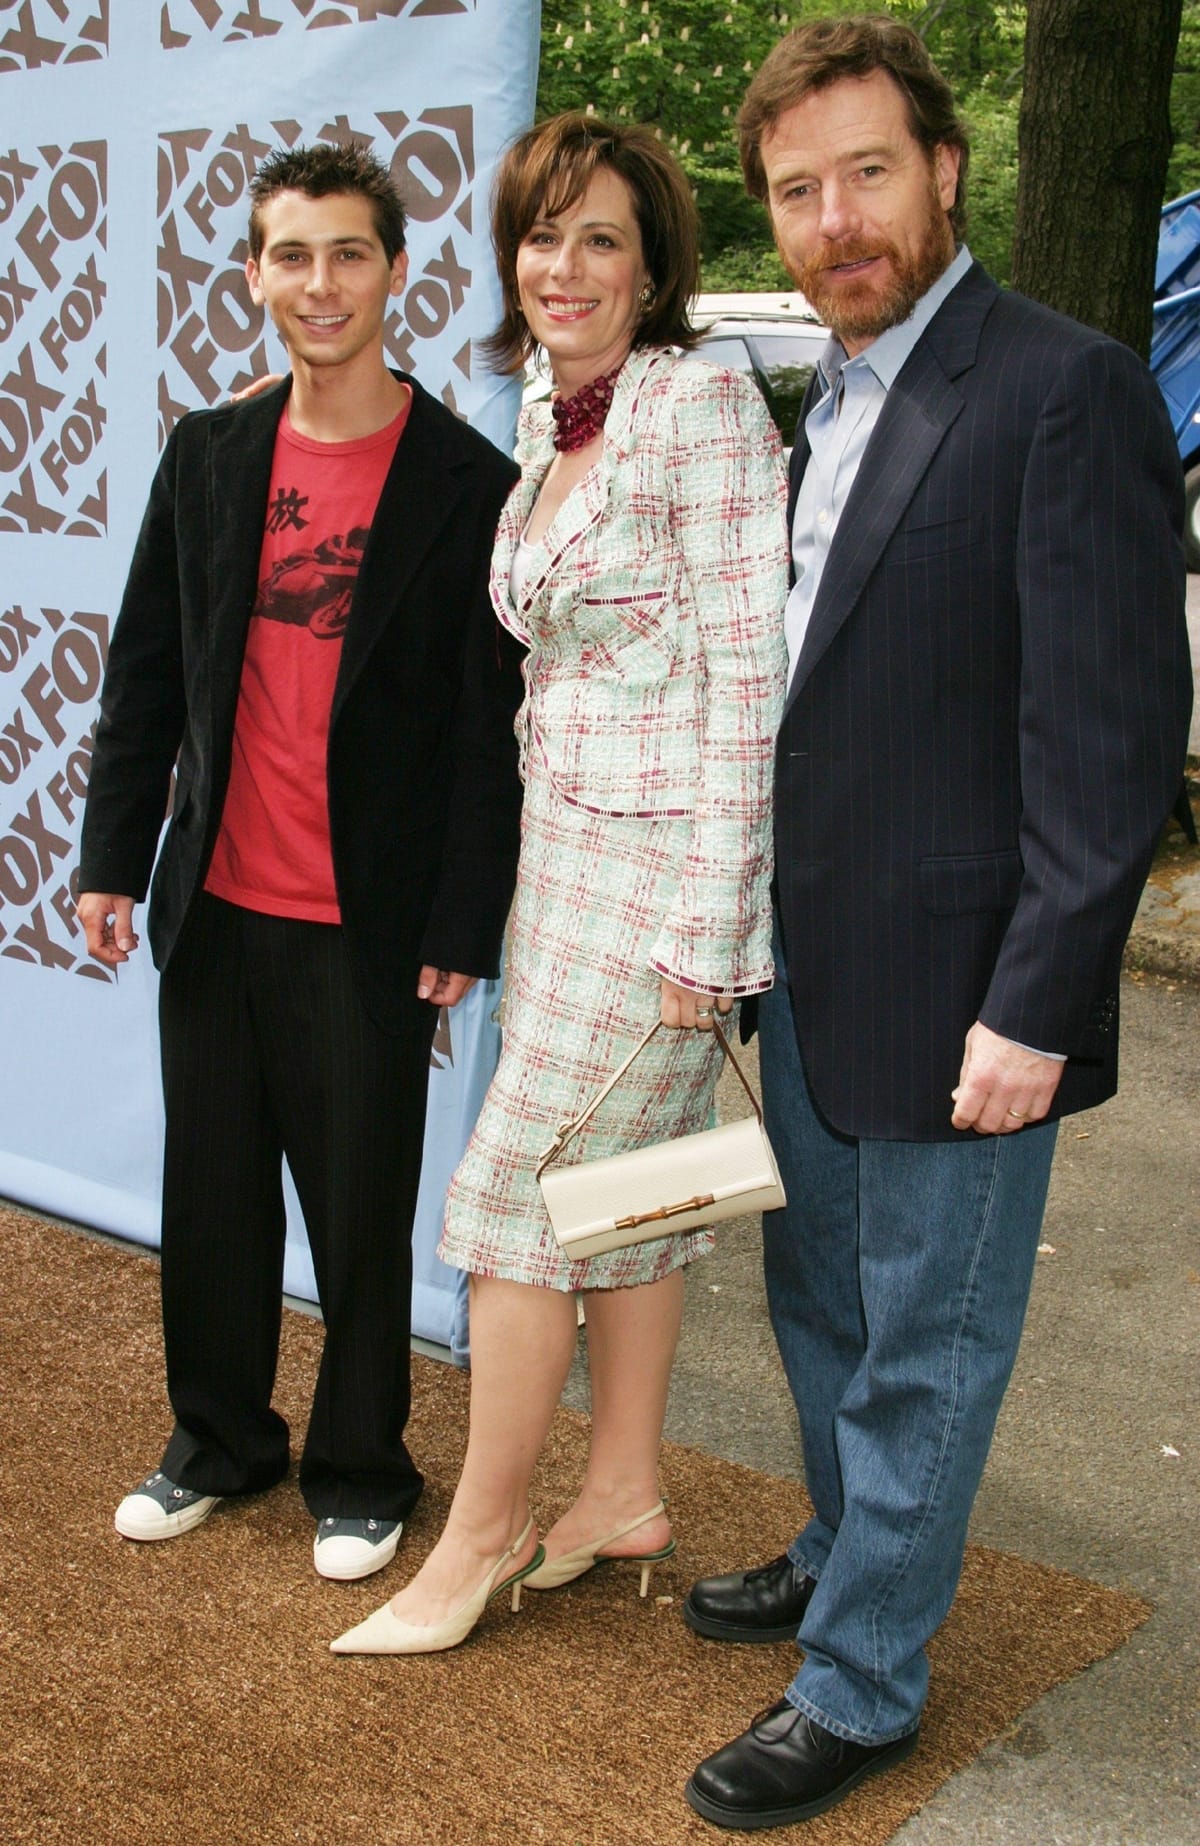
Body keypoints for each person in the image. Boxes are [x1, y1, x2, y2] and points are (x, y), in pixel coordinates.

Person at [682, 15, 1193, 1832]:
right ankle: (841, 1557)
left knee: (927, 1344)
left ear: (946, 167)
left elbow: (1110, 744)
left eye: (867, 172)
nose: (835, 221)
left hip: (975, 993)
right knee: (820, 1301)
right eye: (798, 192)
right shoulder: (823, 402)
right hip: (819, 972)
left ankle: (864, 1681)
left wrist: (1036, 1006)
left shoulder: (1064, 388)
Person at [330, 112, 789, 1656]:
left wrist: (710, 934)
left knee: (517, 1201)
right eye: (541, 234)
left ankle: (478, 1536)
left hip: (664, 881)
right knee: (615, 1200)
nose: (564, 265)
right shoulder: (556, 410)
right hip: (564, 863)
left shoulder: (700, 406)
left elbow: (748, 680)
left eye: (601, 237)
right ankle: (622, 1488)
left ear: (655, 261)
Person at [77, 144, 523, 1584]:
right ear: (254, 276)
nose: (317, 283)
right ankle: (218, 1440)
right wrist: (109, 854)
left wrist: (464, 914)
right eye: (290, 255)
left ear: (397, 270)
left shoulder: (469, 481)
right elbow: (147, 668)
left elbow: (481, 734)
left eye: (346, 253)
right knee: (209, 1198)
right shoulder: (208, 452)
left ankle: (360, 1466)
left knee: (358, 1206)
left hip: (368, 924)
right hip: (214, 903)